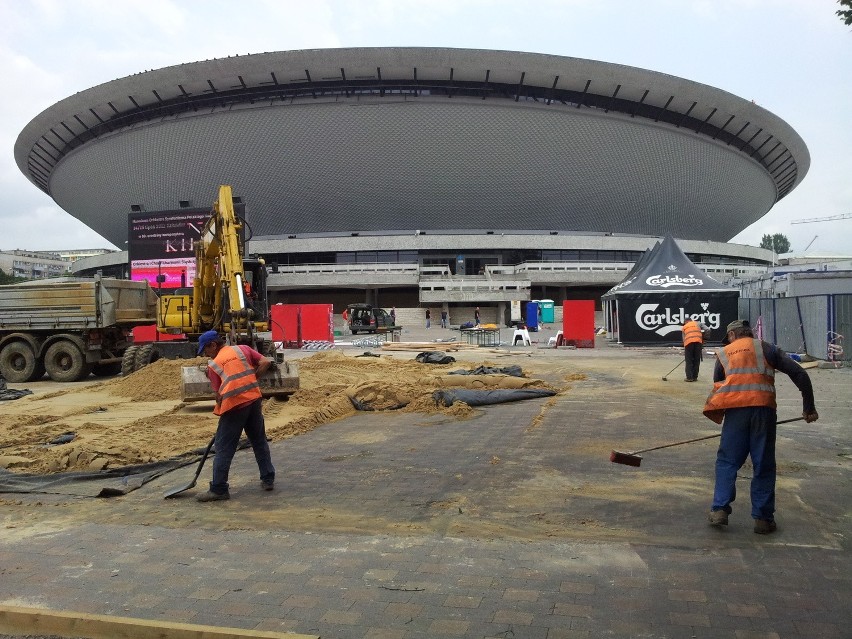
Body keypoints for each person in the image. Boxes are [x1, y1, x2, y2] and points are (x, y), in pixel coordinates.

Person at [703, 319, 819, 534]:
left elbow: (718, 388)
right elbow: (799, 373)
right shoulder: (767, 348)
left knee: (727, 461)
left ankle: (719, 509)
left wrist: (716, 412)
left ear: (732, 335)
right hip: (764, 412)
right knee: (763, 463)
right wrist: (809, 408)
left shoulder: (725, 353)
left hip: (736, 414)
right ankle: (763, 520)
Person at [195, 330, 276, 502]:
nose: (205, 354)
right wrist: (253, 379)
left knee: (224, 446)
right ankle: (268, 478)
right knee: (259, 440)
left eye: (206, 350)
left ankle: (218, 489)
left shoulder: (214, 365)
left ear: (213, 345)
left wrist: (220, 410)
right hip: (253, 399)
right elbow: (265, 362)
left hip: (235, 405)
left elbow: (219, 395)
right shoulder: (243, 349)